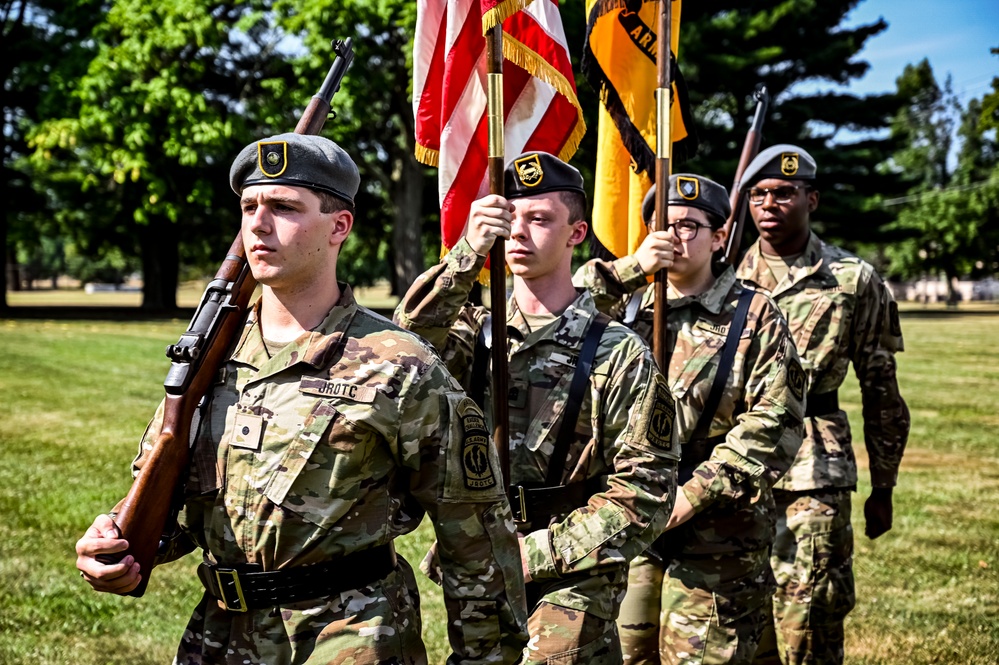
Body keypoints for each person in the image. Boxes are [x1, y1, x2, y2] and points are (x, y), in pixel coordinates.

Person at [75, 133, 529, 665]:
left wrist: (485, 656)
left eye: (284, 208)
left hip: (347, 638)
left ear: (339, 227)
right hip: (216, 639)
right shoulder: (208, 358)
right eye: (249, 207)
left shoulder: (399, 364)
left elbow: (475, 540)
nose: (259, 225)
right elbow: (168, 498)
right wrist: (117, 539)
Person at [395, 151, 681, 665]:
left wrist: (534, 554)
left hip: (574, 569)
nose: (519, 233)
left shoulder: (617, 351)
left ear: (576, 234)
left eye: (540, 219)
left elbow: (647, 494)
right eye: (512, 219)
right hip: (479, 561)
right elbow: (401, 351)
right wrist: (467, 253)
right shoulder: (474, 335)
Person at [574, 174, 805, 664]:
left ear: (720, 237)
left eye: (687, 226)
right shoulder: (627, 307)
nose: (671, 236)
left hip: (717, 533)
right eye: (661, 225)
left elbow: (774, 423)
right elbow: (559, 309)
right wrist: (631, 269)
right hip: (629, 521)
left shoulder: (753, 313)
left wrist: (693, 494)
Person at [733, 145, 910, 665]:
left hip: (815, 466)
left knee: (811, 615)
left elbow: (882, 390)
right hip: (733, 467)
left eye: (784, 193)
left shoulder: (853, 280)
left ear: (812, 199)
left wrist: (884, 485)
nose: (769, 204)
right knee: (731, 616)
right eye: (758, 194)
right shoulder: (723, 275)